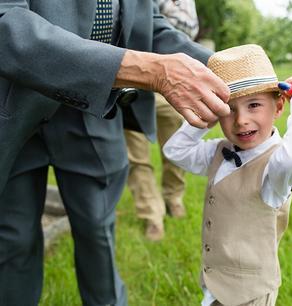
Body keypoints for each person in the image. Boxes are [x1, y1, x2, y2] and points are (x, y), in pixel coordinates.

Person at [0, 1, 230, 305]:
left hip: (95, 107)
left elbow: (150, 26)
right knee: (13, 241)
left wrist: (233, 74)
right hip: (15, 105)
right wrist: (149, 70)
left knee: (98, 233)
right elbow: (6, 21)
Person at [163, 44, 292, 306]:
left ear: (278, 106)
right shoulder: (218, 151)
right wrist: (207, 113)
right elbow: (175, 150)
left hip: (249, 294)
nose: (240, 120)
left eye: (254, 105)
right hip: (216, 285)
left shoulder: (276, 167)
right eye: (228, 109)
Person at [124, 0, 200, 242]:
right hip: (134, 81)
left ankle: (173, 198)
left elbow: (187, 35)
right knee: (136, 157)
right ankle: (151, 215)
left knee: (176, 149)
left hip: (173, 88)